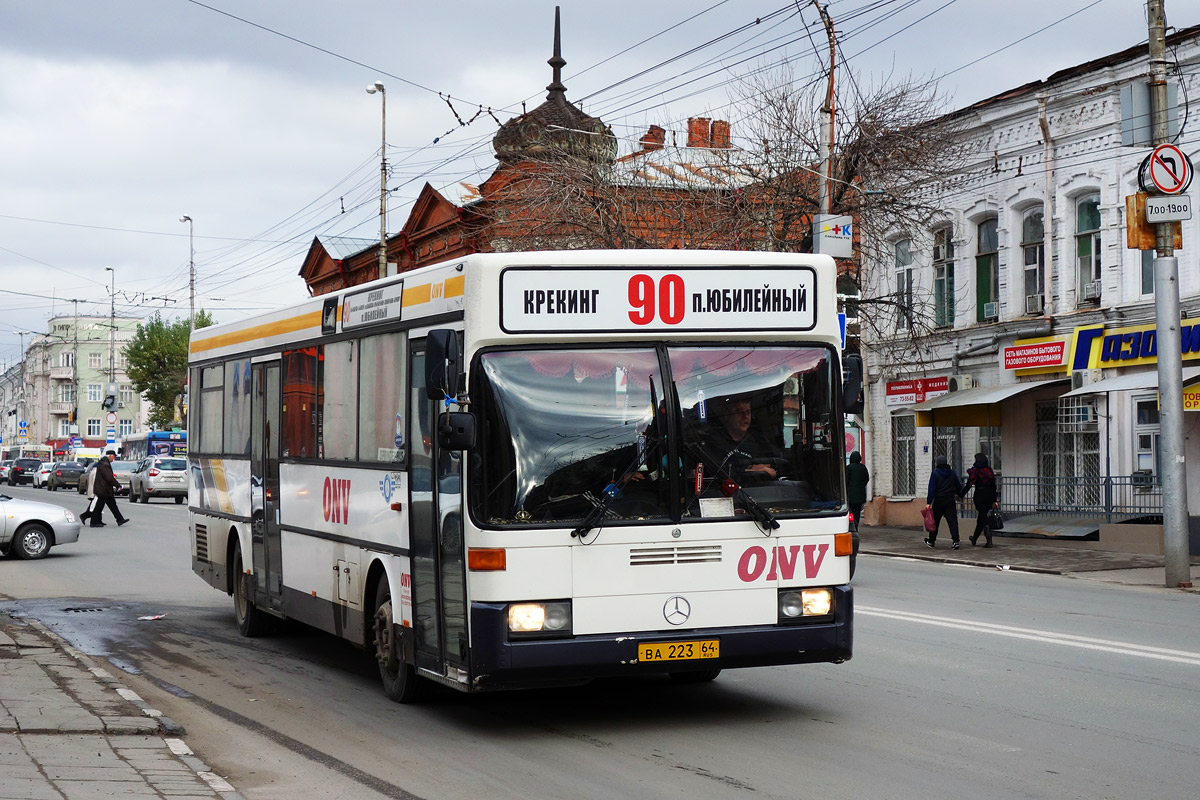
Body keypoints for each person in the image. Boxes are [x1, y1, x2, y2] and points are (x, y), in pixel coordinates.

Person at [698, 397, 784, 482]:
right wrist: (749, 470)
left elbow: (778, 461)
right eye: (739, 412)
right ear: (727, 415)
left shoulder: (758, 441)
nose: (745, 416)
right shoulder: (713, 442)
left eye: (748, 412)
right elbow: (714, 472)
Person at [960, 452, 1000, 547]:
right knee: (981, 518)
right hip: (989, 497)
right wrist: (994, 500)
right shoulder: (989, 471)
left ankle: (989, 540)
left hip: (980, 496)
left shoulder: (975, 471)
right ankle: (974, 538)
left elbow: (968, 485)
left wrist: (961, 495)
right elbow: (993, 486)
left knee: (983, 518)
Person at [924, 454, 963, 549]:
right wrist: (958, 494)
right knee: (952, 521)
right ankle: (955, 541)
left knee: (935, 521)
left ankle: (931, 541)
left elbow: (932, 488)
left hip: (938, 500)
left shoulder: (935, 473)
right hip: (950, 500)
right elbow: (958, 485)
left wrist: (929, 502)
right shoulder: (952, 473)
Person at [90, 450, 129, 528]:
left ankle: (120, 519)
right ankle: (94, 522)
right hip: (103, 489)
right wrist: (118, 485)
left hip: (105, 489)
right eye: (113, 457)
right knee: (99, 506)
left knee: (112, 505)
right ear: (110, 456)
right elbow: (109, 477)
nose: (113, 459)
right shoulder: (105, 464)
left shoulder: (104, 463)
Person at [845, 451, 869, 531]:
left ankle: (852, 525)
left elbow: (846, 480)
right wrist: (861, 486)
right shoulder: (863, 468)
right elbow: (866, 479)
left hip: (850, 495)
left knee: (850, 510)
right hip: (860, 494)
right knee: (858, 511)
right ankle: (856, 523)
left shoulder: (848, 468)